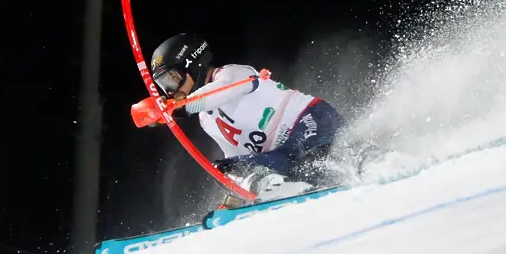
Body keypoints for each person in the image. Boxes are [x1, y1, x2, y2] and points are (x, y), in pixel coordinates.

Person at [130, 33, 348, 203]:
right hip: (284, 155)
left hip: (311, 121)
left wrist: (172, 108)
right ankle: (279, 189)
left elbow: (218, 92)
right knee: (225, 167)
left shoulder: (232, 74)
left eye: (173, 80)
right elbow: (241, 160)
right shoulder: (207, 120)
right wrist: (235, 197)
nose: (170, 92)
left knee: (315, 158)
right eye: (164, 86)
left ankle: (360, 158)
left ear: (192, 66)